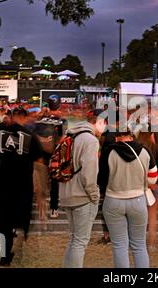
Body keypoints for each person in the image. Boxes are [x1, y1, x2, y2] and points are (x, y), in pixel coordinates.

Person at [98, 128, 158, 268]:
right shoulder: (145, 151)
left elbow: (101, 179)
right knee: (139, 245)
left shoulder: (108, 152)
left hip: (113, 200)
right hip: (138, 200)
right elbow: (153, 178)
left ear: (116, 138)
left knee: (119, 245)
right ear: (131, 136)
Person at [0, 108, 44, 266]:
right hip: (22, 183)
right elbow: (38, 159)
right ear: (23, 117)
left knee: (3, 220)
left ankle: (4, 256)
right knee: (23, 214)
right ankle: (23, 234)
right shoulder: (30, 136)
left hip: (3, 183)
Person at [58, 109, 105, 268]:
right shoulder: (90, 140)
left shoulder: (70, 136)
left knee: (74, 239)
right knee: (80, 241)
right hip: (82, 195)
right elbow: (89, 173)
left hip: (66, 191)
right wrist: (94, 195)